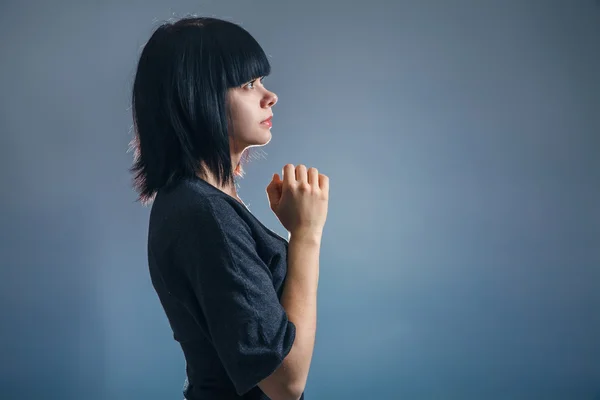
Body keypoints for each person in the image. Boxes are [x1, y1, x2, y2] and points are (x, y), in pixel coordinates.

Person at [129, 16, 330, 400]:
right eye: (248, 84)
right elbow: (285, 383)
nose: (269, 96)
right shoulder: (205, 216)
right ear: (198, 96)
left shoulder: (200, 203)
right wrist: (306, 234)